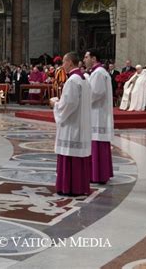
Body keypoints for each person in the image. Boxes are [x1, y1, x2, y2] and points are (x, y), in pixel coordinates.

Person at [50, 52, 92, 196]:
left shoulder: (73, 80)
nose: (62, 65)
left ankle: (69, 187)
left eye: (63, 62)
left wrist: (56, 104)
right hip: (81, 124)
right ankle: (79, 186)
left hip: (72, 125)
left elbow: (69, 104)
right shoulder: (84, 79)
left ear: (70, 62)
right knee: (77, 157)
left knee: (70, 155)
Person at [84, 49, 114, 184]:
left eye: (86, 57)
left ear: (94, 59)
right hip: (97, 113)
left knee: (97, 143)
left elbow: (95, 93)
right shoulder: (99, 72)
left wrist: (81, 99)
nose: (84, 60)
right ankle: (98, 173)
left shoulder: (98, 73)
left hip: (97, 113)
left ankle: (97, 174)